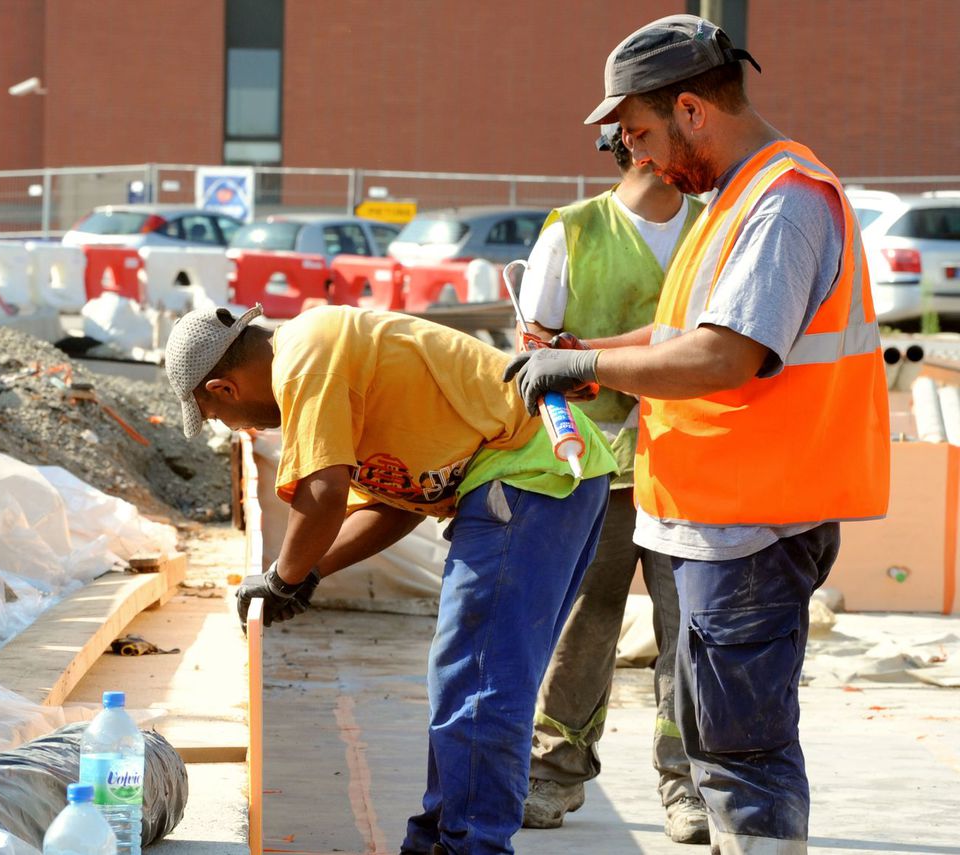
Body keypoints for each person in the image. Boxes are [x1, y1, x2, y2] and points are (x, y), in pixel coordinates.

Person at [506, 14, 889, 854]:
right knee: (721, 741)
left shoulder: (782, 203)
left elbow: (722, 357)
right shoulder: (731, 202)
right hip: (721, 515)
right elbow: (677, 333)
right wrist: (575, 353)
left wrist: (585, 372)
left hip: (756, 520)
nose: (638, 155)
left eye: (640, 132)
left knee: (741, 752)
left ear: (691, 109)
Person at [164, 302, 616, 854]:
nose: (244, 428)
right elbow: (398, 503)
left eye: (218, 415)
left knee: (479, 679)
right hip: (543, 476)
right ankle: (439, 837)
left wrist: (282, 578)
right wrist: (308, 576)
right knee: (470, 677)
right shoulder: (324, 355)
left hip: (528, 473)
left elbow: (323, 493)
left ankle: (471, 846)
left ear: (224, 387)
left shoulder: (307, 360)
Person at [517, 125, 709, 843]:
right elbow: (535, 357)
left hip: (689, 466)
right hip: (591, 469)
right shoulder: (574, 232)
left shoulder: (711, 228)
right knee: (583, 623)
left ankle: (686, 782)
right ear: (642, 148)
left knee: (686, 628)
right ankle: (553, 770)